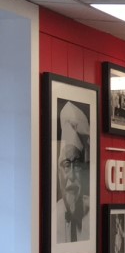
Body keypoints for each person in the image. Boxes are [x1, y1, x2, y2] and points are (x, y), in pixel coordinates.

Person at [54, 101, 90, 245]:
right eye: (66, 165)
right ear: (59, 172)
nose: (72, 175)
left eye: (77, 164)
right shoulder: (53, 216)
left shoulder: (93, 215)